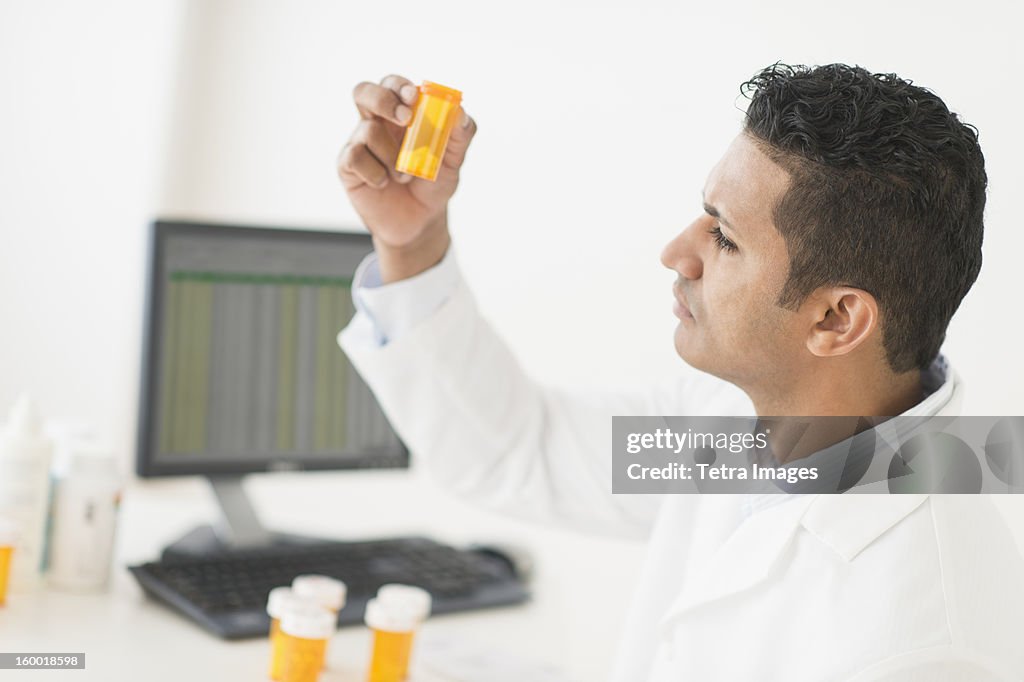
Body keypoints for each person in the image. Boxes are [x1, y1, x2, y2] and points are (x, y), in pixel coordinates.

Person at [335, 63, 1024, 680]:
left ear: (836, 321)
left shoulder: (927, 641)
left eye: (723, 236)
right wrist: (413, 241)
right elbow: (520, 451)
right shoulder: (750, 442)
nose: (675, 253)